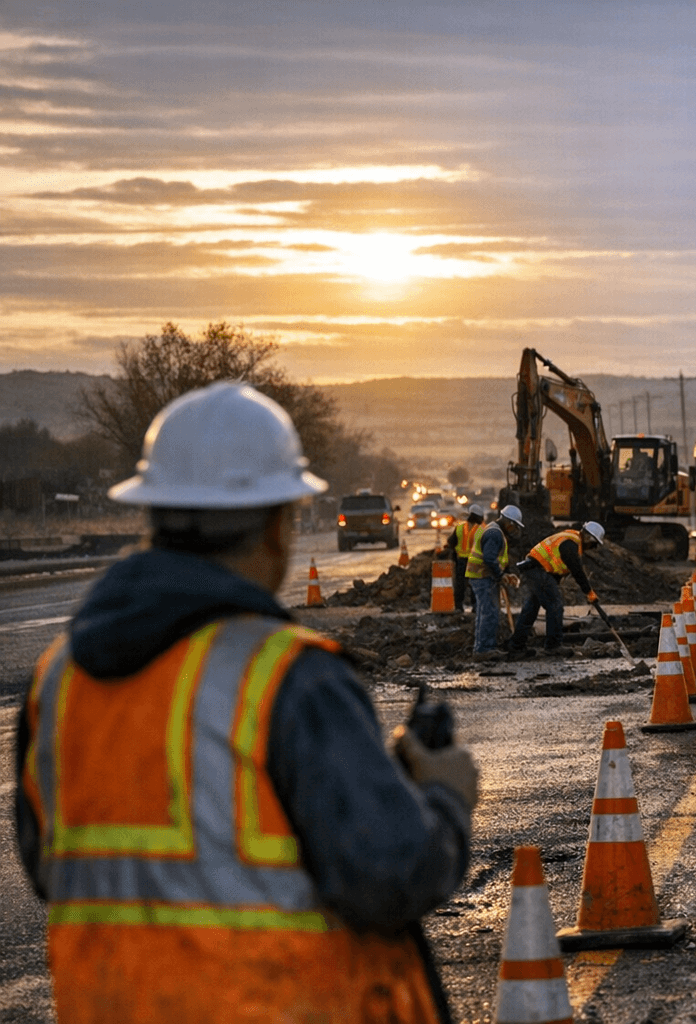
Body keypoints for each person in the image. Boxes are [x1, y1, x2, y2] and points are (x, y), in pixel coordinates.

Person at [12, 382, 477, 1024]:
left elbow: (54, 870)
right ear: (278, 525)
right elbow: (391, 876)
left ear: (153, 516)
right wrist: (445, 796)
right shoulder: (290, 677)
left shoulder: (58, 680)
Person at [507, 520, 605, 658]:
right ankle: (553, 646)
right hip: (539, 570)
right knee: (555, 606)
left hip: (535, 570)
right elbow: (576, 569)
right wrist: (588, 591)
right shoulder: (571, 544)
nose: (593, 548)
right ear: (589, 538)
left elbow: (557, 565)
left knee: (531, 607)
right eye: (594, 544)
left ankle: (516, 645)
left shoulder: (569, 539)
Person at [466, 505, 524, 659]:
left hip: (481, 576)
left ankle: (481, 648)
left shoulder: (494, 529)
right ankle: (485, 649)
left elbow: (495, 559)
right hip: (483, 576)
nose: (514, 530)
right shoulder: (494, 533)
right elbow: (489, 558)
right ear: (509, 523)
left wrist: (505, 574)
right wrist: (500, 575)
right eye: (514, 526)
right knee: (490, 612)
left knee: (484, 612)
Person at [444, 502, 487, 612]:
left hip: (461, 560)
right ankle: (475, 607)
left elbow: (451, 542)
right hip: (475, 561)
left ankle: (458, 606)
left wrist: (454, 554)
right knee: (475, 584)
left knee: (460, 584)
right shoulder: (482, 530)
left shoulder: (460, 528)